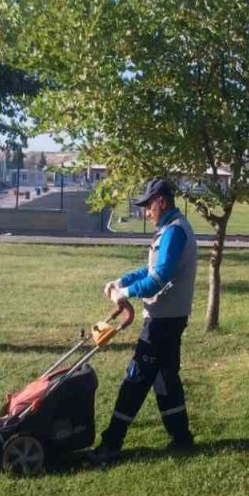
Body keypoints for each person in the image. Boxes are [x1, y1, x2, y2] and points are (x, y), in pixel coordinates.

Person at [89, 178, 198, 464]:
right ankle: (182, 439)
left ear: (162, 201)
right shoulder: (169, 230)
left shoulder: (175, 231)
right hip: (168, 318)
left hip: (163, 321)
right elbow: (150, 269)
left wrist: (124, 293)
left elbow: (157, 279)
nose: (146, 212)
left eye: (149, 206)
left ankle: (111, 444)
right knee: (165, 379)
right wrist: (122, 281)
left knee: (135, 378)